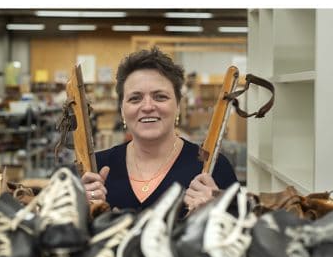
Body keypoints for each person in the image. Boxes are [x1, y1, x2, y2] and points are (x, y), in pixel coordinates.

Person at [81, 47, 237, 212]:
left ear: (178, 106)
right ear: (122, 110)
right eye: (135, 98)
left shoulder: (213, 168)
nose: (148, 106)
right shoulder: (94, 169)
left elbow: (244, 233)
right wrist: (80, 209)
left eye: (160, 97)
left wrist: (216, 211)